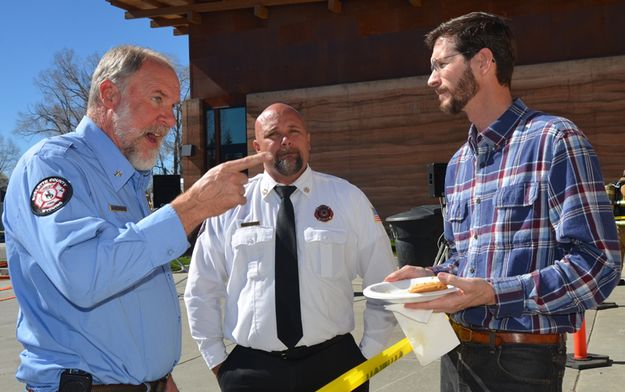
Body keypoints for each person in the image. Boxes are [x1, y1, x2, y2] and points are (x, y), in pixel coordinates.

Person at [2, 45, 270, 392]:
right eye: (158, 99)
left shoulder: (129, 183)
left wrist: (158, 375)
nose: (170, 119)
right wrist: (194, 205)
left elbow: (130, 298)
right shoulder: (52, 166)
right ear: (109, 95)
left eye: (173, 106)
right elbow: (84, 275)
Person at [385, 12, 622, 392]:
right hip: (456, 354)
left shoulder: (554, 141)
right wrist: (432, 278)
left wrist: (495, 292)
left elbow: (599, 265)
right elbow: (469, 260)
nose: (431, 79)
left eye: (441, 64)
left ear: (483, 62)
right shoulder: (460, 163)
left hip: (522, 363)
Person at [184, 103, 396, 391]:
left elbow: (382, 279)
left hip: (336, 365)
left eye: (294, 131)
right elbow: (201, 288)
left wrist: (368, 353)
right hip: (252, 371)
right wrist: (218, 362)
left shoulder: (347, 197)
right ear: (258, 146)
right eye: (273, 134)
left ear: (308, 139)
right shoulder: (231, 205)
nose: (285, 141)